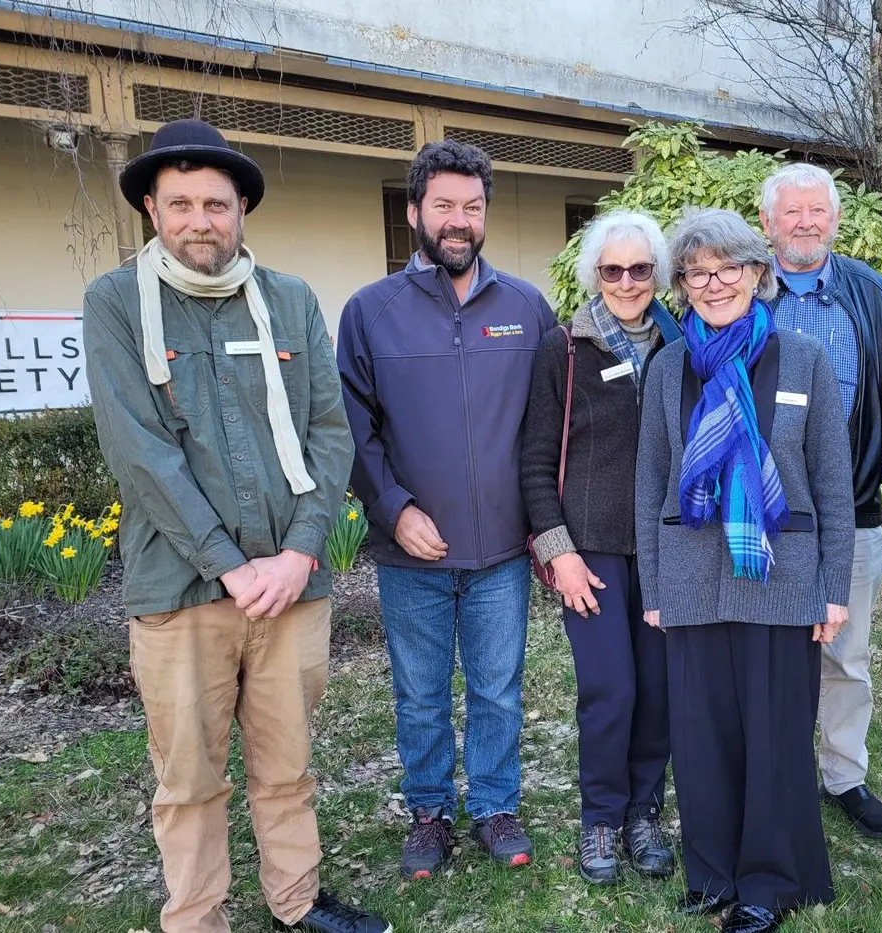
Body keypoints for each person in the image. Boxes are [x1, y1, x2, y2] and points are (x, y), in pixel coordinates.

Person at [83, 119, 388, 933]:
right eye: (179, 203)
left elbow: (330, 430)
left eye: (215, 204)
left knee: (287, 765)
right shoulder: (115, 303)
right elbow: (141, 451)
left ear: (242, 209)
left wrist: (298, 552)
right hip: (181, 587)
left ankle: (296, 901)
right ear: (151, 209)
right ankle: (196, 916)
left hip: (292, 583)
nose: (198, 221)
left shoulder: (289, 300)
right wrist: (228, 562)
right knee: (188, 778)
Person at [336, 140, 556, 880]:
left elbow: (549, 426)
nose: (458, 221)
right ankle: (429, 813)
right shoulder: (370, 313)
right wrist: (393, 509)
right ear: (413, 213)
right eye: (443, 206)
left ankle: (496, 804)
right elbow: (353, 428)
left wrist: (542, 523)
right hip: (412, 554)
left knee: (498, 687)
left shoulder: (526, 308)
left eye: (472, 206)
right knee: (421, 693)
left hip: (500, 552)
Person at [635, 208, 856, 933]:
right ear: (683, 285)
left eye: (729, 267)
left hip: (782, 574)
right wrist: (656, 589)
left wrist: (833, 589)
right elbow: (651, 481)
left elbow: (831, 480)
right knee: (700, 735)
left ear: (758, 273)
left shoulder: (802, 359)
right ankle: (712, 871)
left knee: (775, 734)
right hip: (692, 573)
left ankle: (768, 877)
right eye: (697, 271)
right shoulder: (668, 368)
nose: (714, 282)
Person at [520, 209, 681, 886]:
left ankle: (644, 811)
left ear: (657, 273)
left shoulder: (685, 341)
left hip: (670, 550)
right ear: (594, 274)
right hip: (594, 555)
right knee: (610, 689)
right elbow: (532, 462)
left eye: (639, 268)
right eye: (611, 269)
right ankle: (600, 817)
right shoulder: (563, 350)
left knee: (659, 692)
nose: (625, 280)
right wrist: (560, 553)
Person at [759, 162, 882, 839]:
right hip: (760, 513)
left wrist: (879, 462)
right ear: (768, 223)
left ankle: (844, 772)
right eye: (791, 212)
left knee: (846, 652)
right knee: (770, 649)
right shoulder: (738, 291)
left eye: (816, 211)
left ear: (836, 219)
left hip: (850, 510)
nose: (804, 223)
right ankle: (774, 771)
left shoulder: (873, 295)